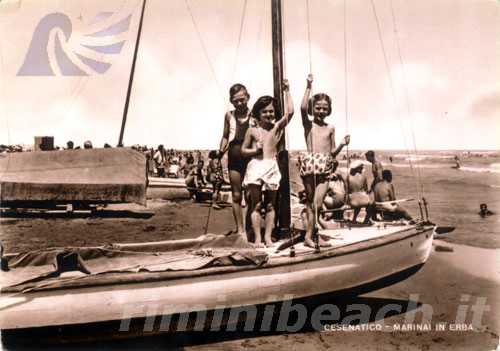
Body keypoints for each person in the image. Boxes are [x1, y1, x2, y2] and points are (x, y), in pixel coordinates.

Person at [299, 74, 350, 248]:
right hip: (310, 164)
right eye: (318, 108)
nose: (321, 111)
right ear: (313, 109)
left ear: (329, 110)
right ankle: (311, 236)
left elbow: (332, 152)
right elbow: (302, 107)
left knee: (317, 204)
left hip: (325, 165)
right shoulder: (309, 125)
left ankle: (311, 235)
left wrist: (342, 145)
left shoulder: (330, 128)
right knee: (311, 202)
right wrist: (308, 86)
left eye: (324, 108)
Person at [241, 80, 294, 247]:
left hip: (271, 166)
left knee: (270, 205)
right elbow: (243, 151)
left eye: (271, 111)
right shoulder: (252, 130)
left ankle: (268, 237)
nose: (269, 115)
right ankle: (257, 238)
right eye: (265, 112)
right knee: (256, 205)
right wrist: (255, 150)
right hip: (256, 166)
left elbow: (290, 113)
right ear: (258, 113)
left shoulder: (276, 128)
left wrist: (287, 91)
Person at [217, 83, 253, 237]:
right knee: (237, 195)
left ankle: (250, 228)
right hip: (234, 159)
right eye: (235, 101)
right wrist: (220, 152)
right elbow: (225, 136)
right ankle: (240, 229)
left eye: (242, 100)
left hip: (251, 160)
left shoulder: (255, 114)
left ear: (248, 97)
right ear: (231, 101)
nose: (239, 103)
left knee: (251, 195)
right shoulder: (228, 115)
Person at [347, 160, 375, 224]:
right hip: (362, 200)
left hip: (353, 201)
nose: (362, 169)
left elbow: (347, 190)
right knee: (371, 204)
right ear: (358, 168)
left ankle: (354, 219)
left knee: (358, 201)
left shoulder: (348, 177)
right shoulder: (363, 177)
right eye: (361, 168)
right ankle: (366, 220)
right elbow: (366, 190)